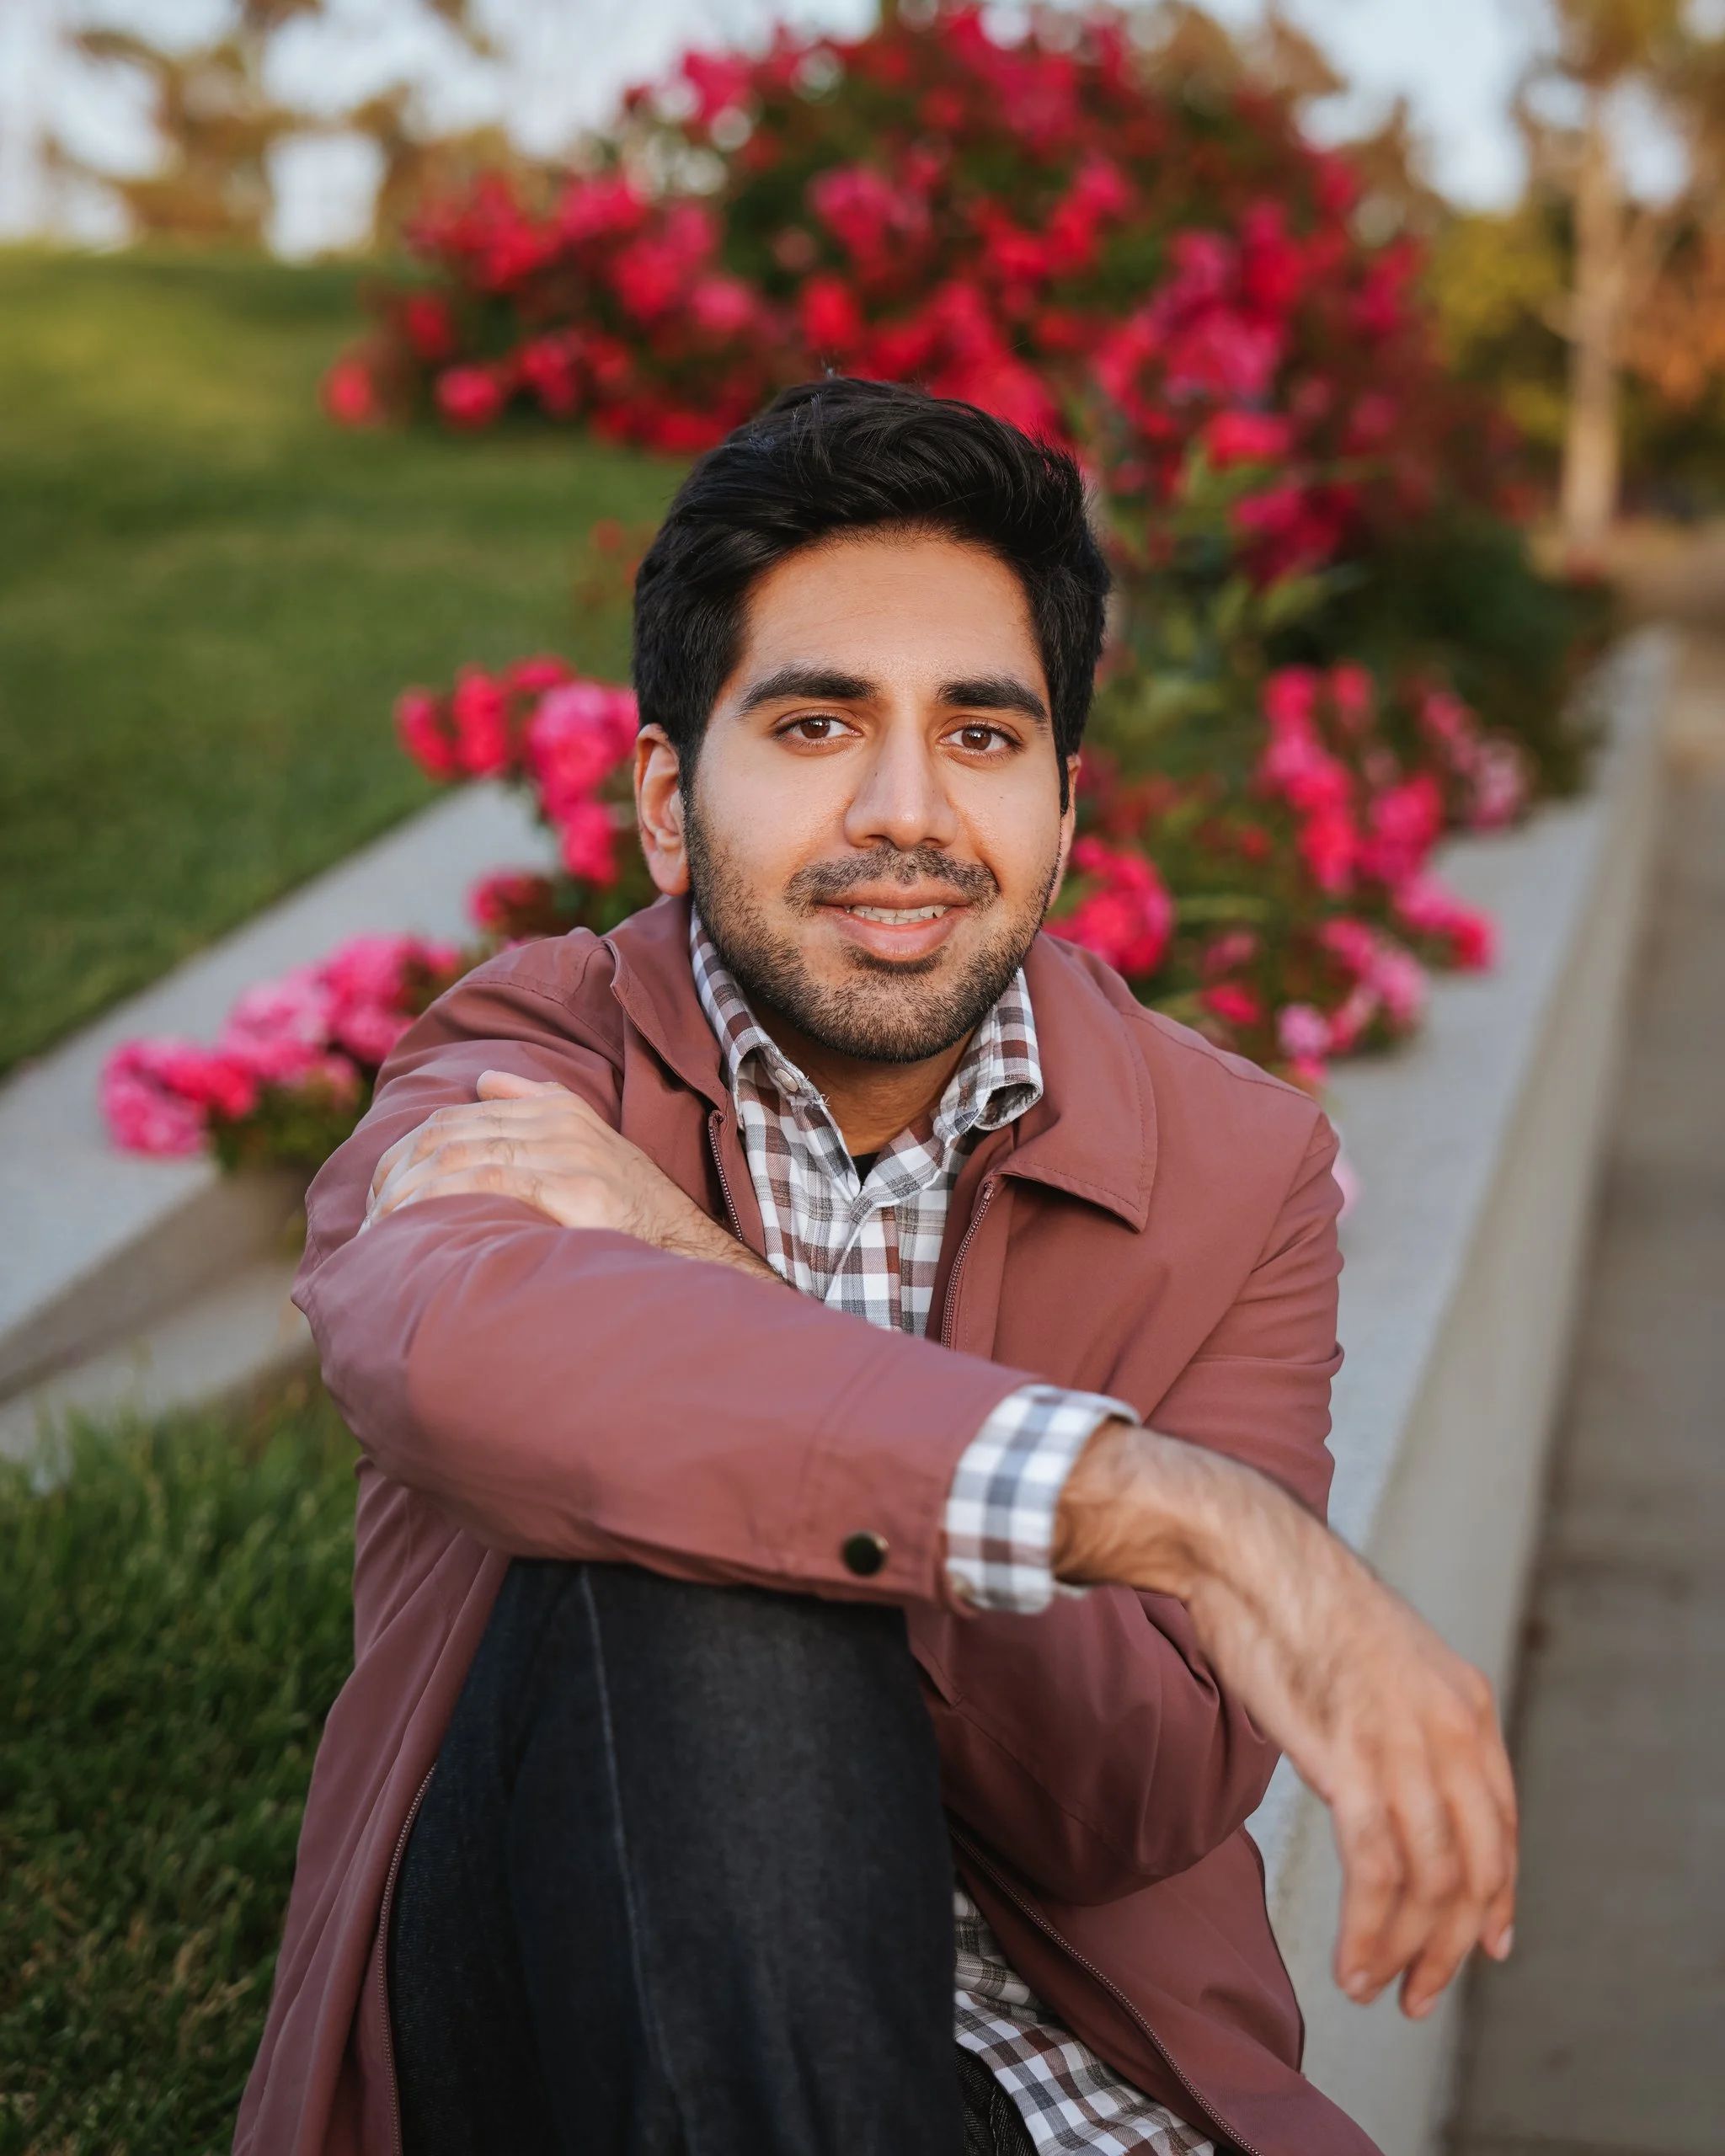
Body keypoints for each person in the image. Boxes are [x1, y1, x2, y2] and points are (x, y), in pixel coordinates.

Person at [235, 376, 1516, 2156]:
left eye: (982, 737)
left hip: (1066, 2096)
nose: (907, 809)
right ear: (672, 803)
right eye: (821, 725)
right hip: (553, 2017)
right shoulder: (534, 1057)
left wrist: (712, 1279)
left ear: (1068, 811)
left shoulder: (1239, 1170)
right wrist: (1158, 1505)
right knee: (675, 1533)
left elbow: (1134, 1787)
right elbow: (442, 1342)